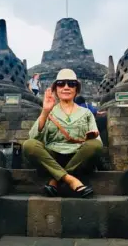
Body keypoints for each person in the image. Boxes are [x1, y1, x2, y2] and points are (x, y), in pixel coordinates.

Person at [23, 69, 103, 198]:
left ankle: (55, 179)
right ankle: (71, 180)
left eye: (71, 84)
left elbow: (98, 141)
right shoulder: (50, 111)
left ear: (76, 89)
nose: (66, 87)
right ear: (55, 89)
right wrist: (45, 111)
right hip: (53, 156)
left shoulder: (86, 113)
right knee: (29, 145)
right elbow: (34, 137)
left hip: (78, 157)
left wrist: (90, 137)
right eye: (61, 84)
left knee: (95, 146)